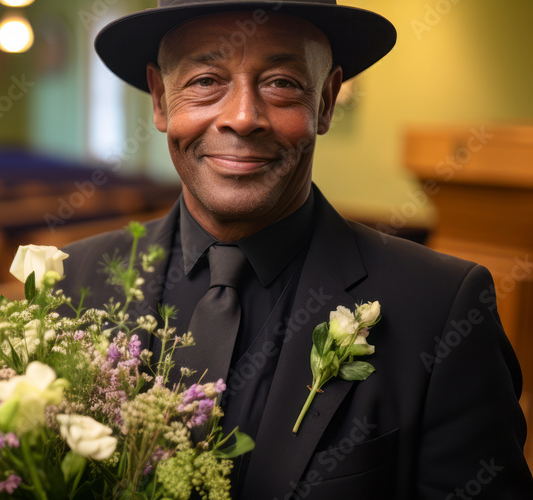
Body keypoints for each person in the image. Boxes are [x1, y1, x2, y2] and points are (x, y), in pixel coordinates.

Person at [57, 1, 533, 499]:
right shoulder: (72, 282)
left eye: (281, 82)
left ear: (326, 101)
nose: (242, 118)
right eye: (205, 81)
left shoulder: (440, 310)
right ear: (159, 100)